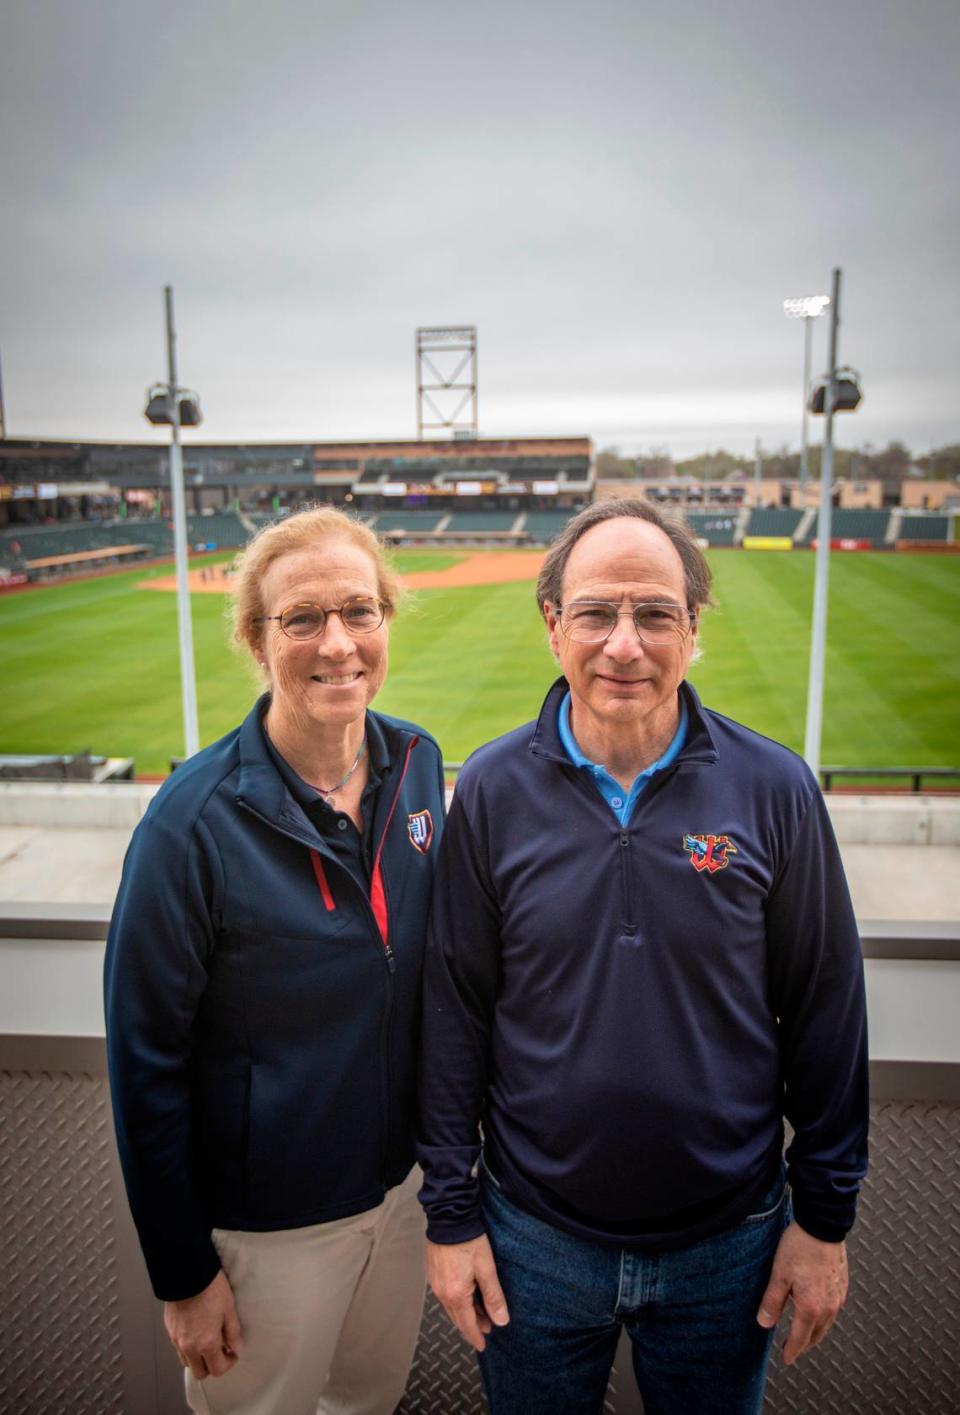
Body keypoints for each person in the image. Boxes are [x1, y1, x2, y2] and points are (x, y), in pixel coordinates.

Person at [418, 497, 868, 1415]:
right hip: (530, 1244)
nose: (624, 643)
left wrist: (823, 1221)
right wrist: (451, 1215)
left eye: (655, 612)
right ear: (554, 627)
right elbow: (456, 1010)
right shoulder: (493, 787)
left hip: (729, 1243)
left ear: (693, 630)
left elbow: (827, 1011)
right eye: (596, 612)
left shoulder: (775, 788)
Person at [105, 506, 445, 1415]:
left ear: (386, 620)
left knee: (367, 1405)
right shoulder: (190, 823)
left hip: (402, 1199)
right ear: (258, 639)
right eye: (303, 619)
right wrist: (183, 1273)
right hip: (270, 1234)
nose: (338, 643)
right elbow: (145, 1063)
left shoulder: (418, 762)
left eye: (360, 611)